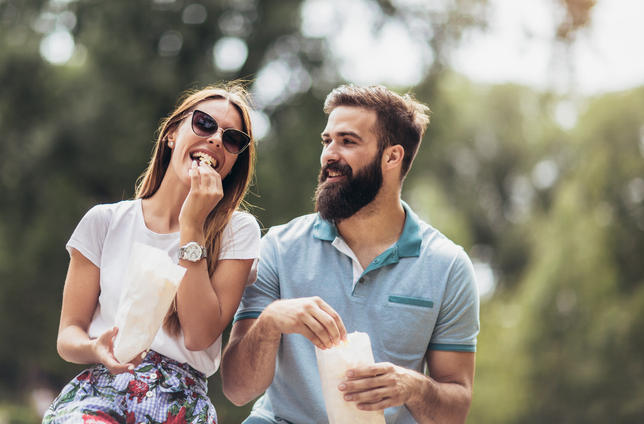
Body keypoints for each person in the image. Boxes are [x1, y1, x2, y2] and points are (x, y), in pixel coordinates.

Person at [221, 85, 480, 424]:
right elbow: (237, 390)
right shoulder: (279, 246)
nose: (329, 154)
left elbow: (456, 407)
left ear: (392, 157)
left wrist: (413, 387)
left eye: (348, 141)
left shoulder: (448, 267)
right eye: (327, 141)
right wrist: (270, 322)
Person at [43, 84, 261, 424]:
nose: (217, 139)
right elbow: (69, 333)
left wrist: (193, 225)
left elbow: (199, 335)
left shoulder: (239, 231)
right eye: (204, 123)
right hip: (103, 390)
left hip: (182, 404)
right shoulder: (105, 221)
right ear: (172, 134)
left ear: (233, 161)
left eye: (232, 139)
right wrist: (95, 348)